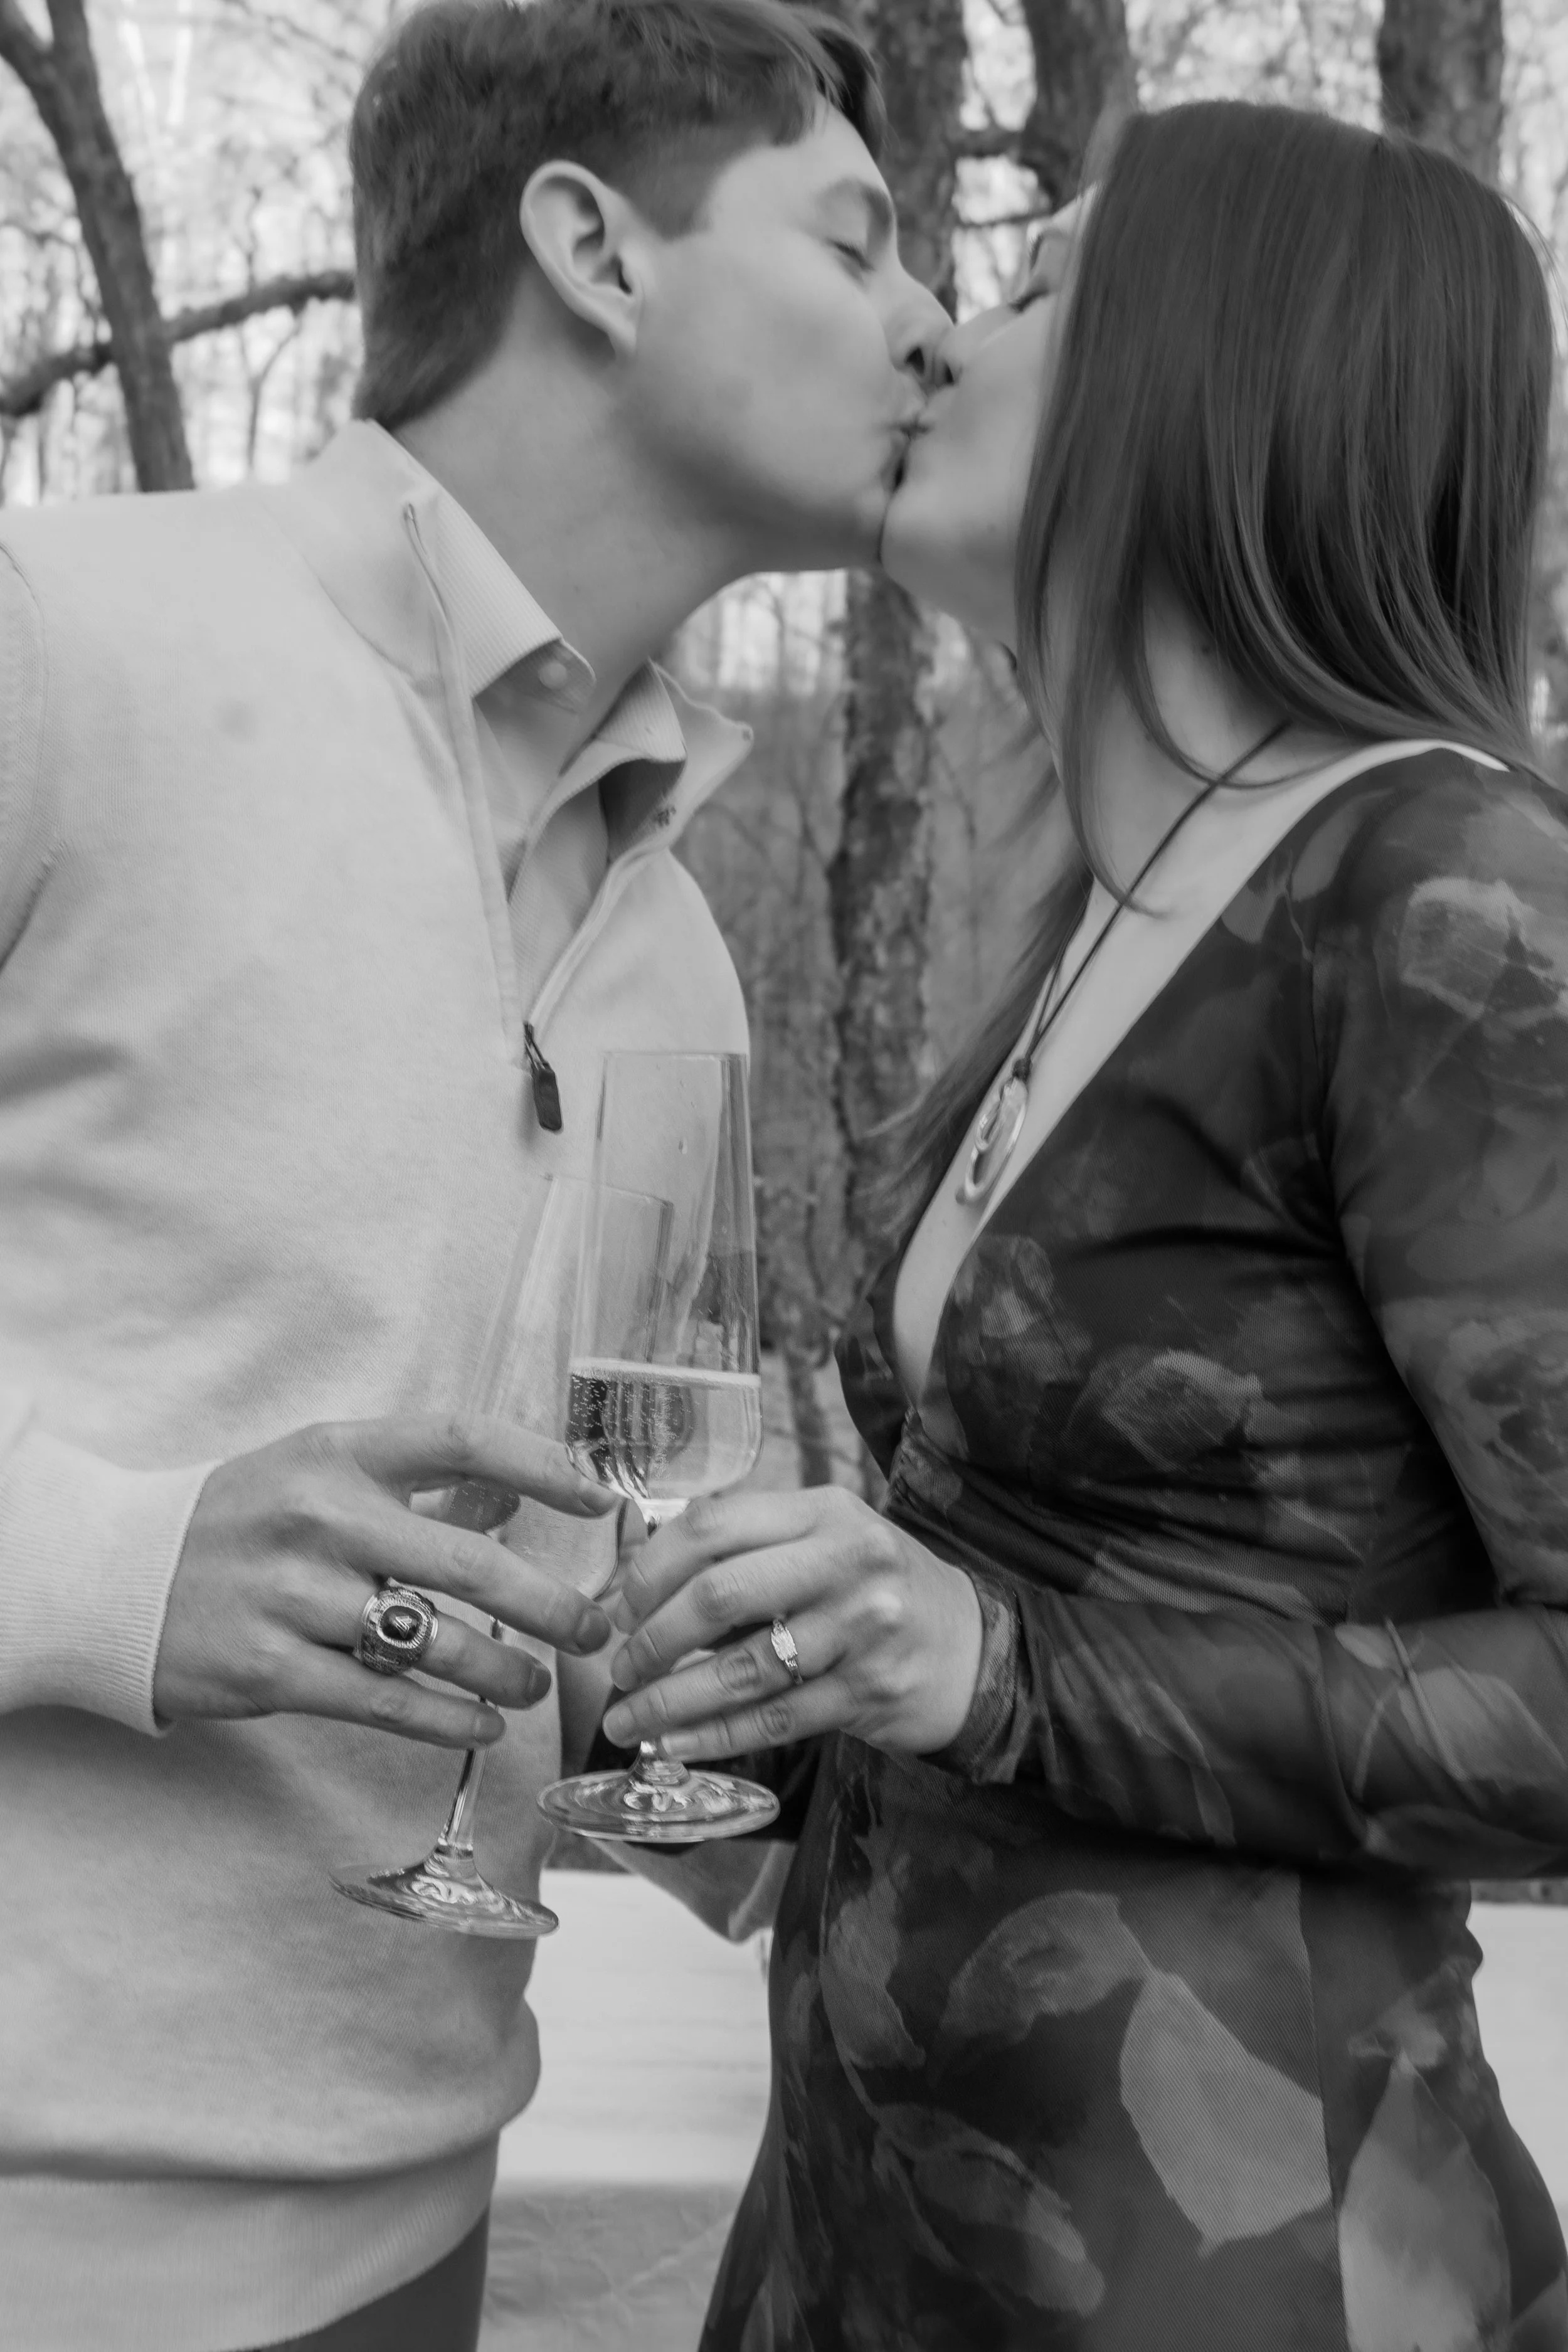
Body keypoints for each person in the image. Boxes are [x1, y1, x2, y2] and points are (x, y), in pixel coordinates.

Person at [0, 3, 946, 2345]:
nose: (934, 319)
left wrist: (687, 1694)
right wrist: (113, 1563)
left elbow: (534, 1607)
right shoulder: (65, 646)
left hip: (424, 2221)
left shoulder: (684, 962)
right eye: (852, 237)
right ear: (591, 250)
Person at [601, 100, 1568, 2349]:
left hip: (1225, 2264)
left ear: (1222, 372)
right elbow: (1042, 1612)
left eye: (1033, 288)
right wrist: (763, 1724)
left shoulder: (1450, 906)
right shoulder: (1102, 917)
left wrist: (985, 1663)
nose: (934, 333)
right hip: (887, 2232)